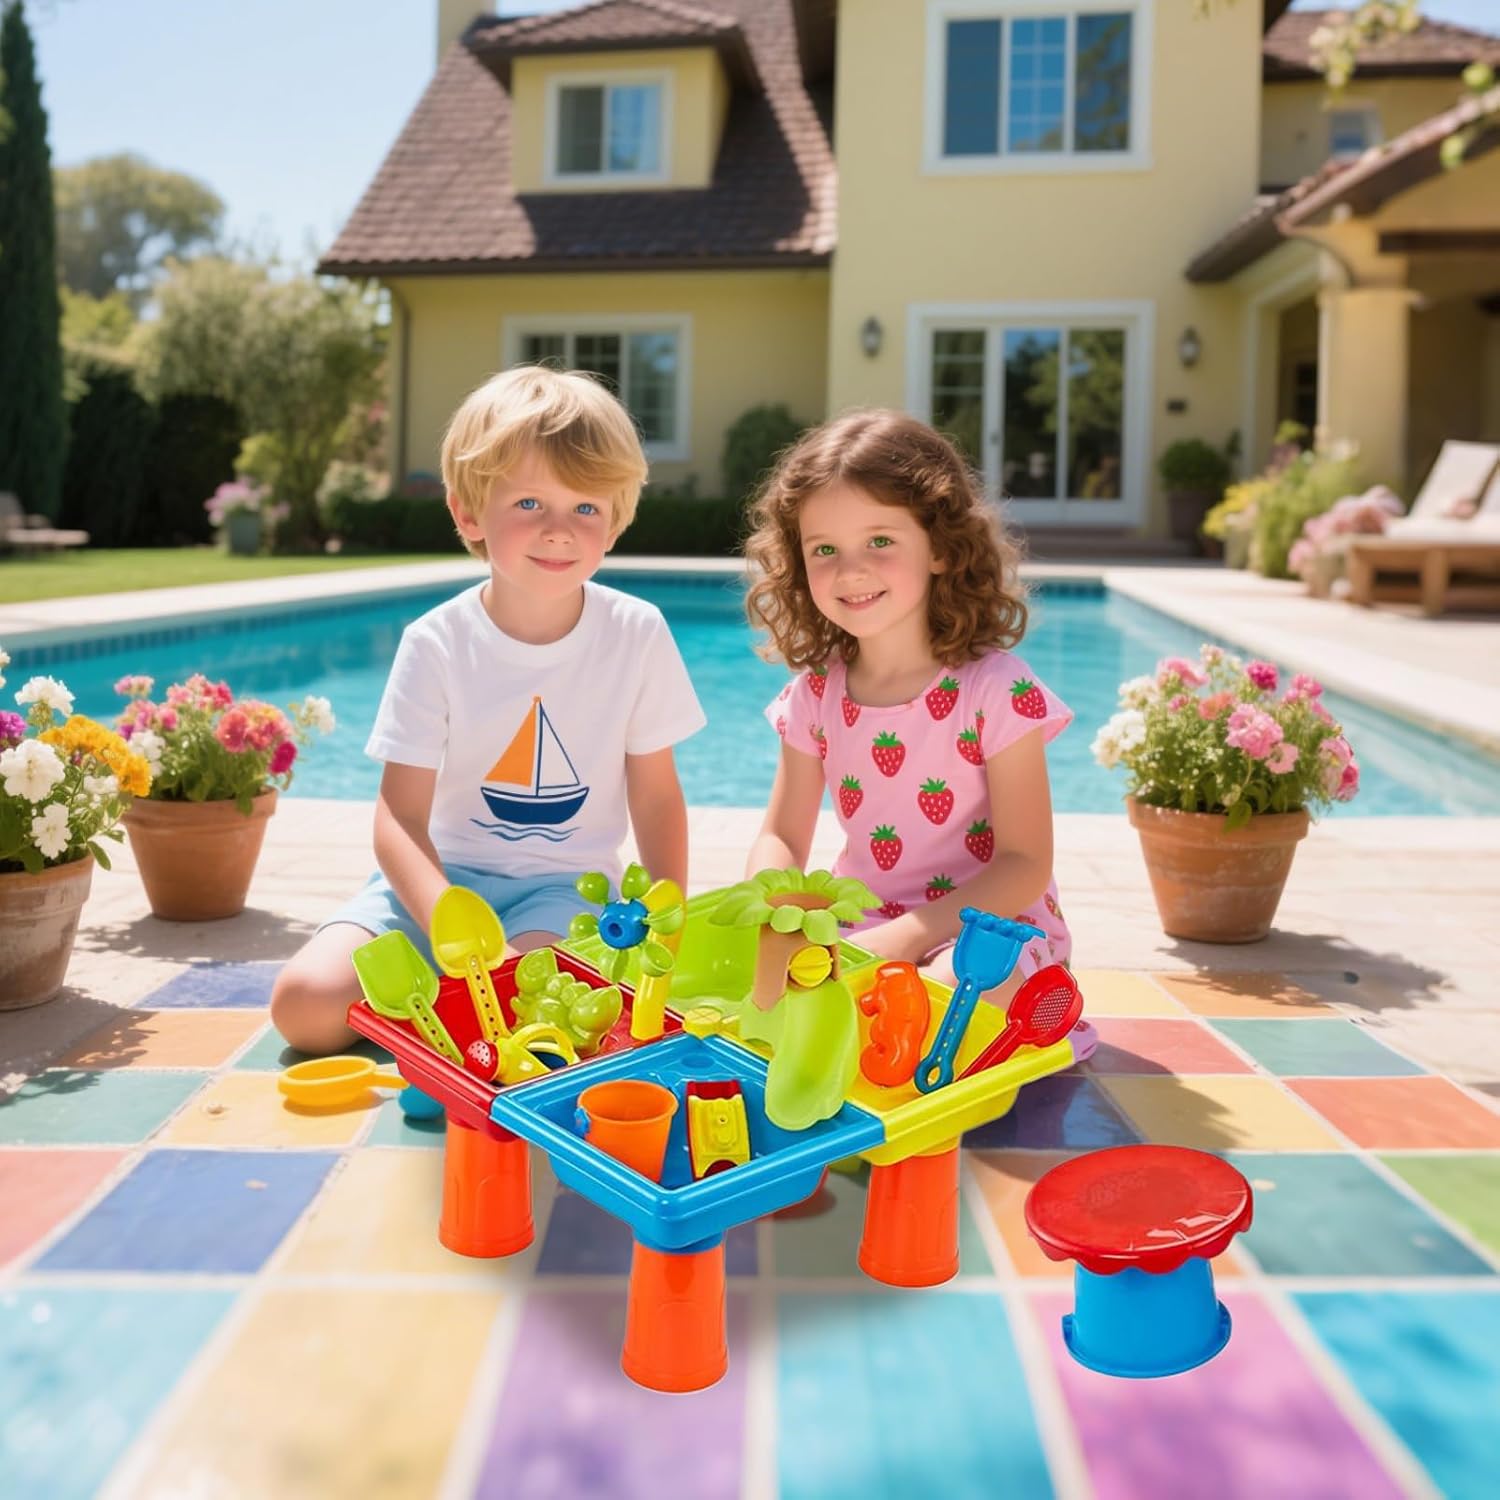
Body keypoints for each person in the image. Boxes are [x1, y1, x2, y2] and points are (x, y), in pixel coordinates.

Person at [270, 366, 705, 1053]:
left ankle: (448, 1015)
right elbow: (398, 817)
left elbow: (656, 797)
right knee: (302, 1007)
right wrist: (444, 914)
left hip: (564, 893)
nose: (560, 531)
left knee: (530, 1005)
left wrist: (666, 918)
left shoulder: (637, 632)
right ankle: (451, 1005)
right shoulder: (436, 643)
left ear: (616, 519)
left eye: (586, 508)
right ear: (469, 513)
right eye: (530, 503)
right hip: (435, 891)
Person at [743, 409, 1071, 1002]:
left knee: (955, 988)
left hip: (988, 928)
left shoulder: (997, 690)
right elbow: (782, 835)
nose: (851, 570)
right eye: (824, 549)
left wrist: (907, 938)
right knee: (759, 979)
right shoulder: (814, 694)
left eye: (880, 541)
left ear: (940, 548)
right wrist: (775, 909)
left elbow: (1025, 863)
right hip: (864, 923)